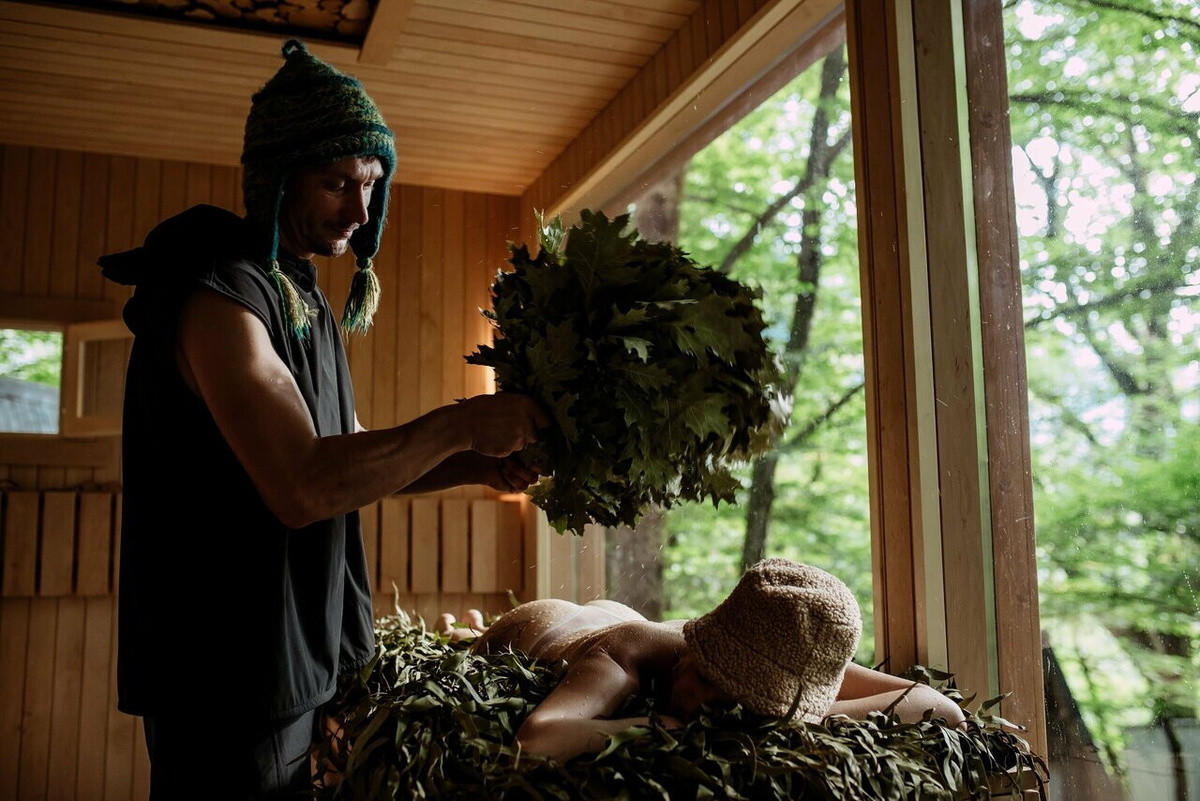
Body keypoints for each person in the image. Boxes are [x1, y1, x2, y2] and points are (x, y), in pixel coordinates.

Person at [98, 40, 549, 800]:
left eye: (370, 184)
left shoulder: (299, 294)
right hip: (225, 677)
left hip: (291, 661)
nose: (361, 210)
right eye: (336, 183)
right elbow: (304, 484)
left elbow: (351, 458)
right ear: (276, 179)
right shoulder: (218, 294)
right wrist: (463, 423)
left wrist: (478, 465)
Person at [438, 558, 967, 762]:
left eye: (747, 702)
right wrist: (658, 727)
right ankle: (464, 631)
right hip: (535, 631)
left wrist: (797, 716)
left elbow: (937, 705)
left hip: (609, 615)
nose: (713, 712)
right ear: (698, 653)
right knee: (467, 644)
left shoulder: (785, 654)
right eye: (714, 686)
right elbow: (538, 738)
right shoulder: (629, 653)